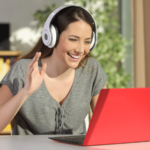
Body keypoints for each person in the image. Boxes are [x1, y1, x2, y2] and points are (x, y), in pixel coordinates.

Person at [0, 5, 107, 135]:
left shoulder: (91, 69)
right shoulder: (24, 69)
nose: (80, 49)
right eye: (73, 39)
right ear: (52, 37)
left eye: (87, 41)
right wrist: (25, 92)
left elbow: (106, 124)